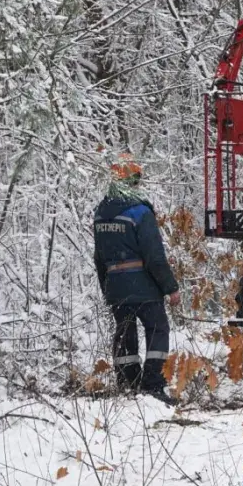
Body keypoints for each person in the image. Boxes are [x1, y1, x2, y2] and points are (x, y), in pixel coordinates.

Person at [93, 154, 180, 405]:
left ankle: (127, 383)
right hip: (143, 286)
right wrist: (170, 287)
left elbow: (99, 257)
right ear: (132, 181)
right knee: (157, 329)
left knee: (124, 333)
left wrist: (106, 288)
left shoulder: (101, 213)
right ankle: (153, 384)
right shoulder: (140, 212)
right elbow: (154, 256)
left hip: (116, 287)